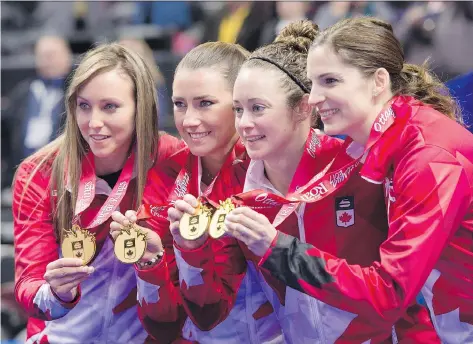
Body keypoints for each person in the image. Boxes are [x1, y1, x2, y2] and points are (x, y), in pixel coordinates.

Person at [227, 17, 473, 343]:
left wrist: (278, 250)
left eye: (330, 81)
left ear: (378, 82)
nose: (313, 98)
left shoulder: (429, 157)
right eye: (313, 83)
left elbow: (389, 294)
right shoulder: (385, 142)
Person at [111, 41, 285, 343]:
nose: (189, 120)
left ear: (242, 103)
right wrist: (149, 262)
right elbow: (164, 326)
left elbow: (211, 311)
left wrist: (191, 252)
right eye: (180, 104)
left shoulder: (268, 169)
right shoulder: (167, 170)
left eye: (205, 103)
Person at [12, 43, 183, 344]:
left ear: (140, 107)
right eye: (84, 105)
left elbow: (181, 303)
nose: (93, 123)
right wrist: (55, 293)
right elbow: (28, 286)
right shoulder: (38, 172)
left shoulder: (174, 160)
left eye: (110, 107)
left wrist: (151, 264)